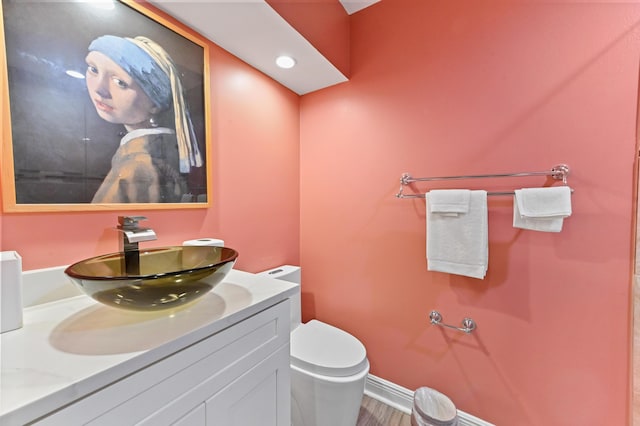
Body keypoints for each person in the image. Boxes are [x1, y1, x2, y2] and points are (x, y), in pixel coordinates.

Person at [84, 35, 202, 203]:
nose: (99, 88)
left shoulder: (136, 165)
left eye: (120, 82)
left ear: (155, 104)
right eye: (93, 69)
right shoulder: (163, 153)